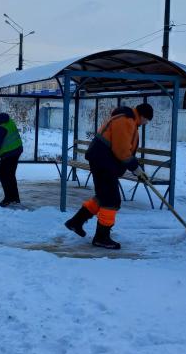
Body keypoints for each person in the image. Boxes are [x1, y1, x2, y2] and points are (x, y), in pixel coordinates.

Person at [64, 102, 154, 249]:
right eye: (146, 121)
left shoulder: (127, 119)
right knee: (112, 201)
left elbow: (123, 149)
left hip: (103, 162)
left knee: (103, 197)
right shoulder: (126, 121)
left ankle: (76, 222)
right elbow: (121, 150)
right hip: (103, 163)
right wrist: (136, 168)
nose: (145, 124)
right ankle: (101, 237)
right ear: (143, 116)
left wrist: (135, 168)